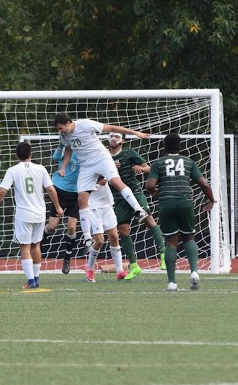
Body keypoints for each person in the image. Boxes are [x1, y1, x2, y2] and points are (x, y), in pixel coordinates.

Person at [52, 113, 151, 250]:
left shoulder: (85, 124)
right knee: (81, 198)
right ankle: (87, 238)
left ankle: (139, 210)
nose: (60, 131)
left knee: (116, 181)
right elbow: (68, 150)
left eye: (61, 128)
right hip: (86, 166)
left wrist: (136, 133)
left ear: (68, 123)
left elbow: (111, 128)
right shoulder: (64, 136)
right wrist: (63, 167)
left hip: (101, 158)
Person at [0, 141, 64, 289]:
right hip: (40, 213)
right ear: (31, 154)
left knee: (25, 247)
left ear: (17, 155)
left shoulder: (13, 170)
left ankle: (31, 281)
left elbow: (3, 190)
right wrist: (58, 207)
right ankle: (36, 277)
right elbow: (51, 190)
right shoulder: (40, 168)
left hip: (24, 214)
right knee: (36, 245)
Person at [145, 133, 216, 292]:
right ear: (180, 146)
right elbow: (204, 184)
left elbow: (149, 185)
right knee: (189, 237)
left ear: (165, 147)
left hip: (166, 204)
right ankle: (194, 273)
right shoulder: (189, 162)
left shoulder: (158, 163)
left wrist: (158, 193)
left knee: (171, 242)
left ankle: (171, 283)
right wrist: (211, 199)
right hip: (185, 202)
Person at [108, 132, 167, 279]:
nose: (113, 138)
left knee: (148, 219)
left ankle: (164, 255)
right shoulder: (103, 154)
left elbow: (149, 168)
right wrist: (108, 168)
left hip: (134, 192)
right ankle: (134, 265)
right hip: (117, 196)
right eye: (111, 136)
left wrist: (141, 169)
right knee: (123, 230)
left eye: (116, 136)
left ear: (123, 140)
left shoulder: (129, 153)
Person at [44, 144, 82, 274]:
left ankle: (67, 258)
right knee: (52, 226)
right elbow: (55, 157)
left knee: (71, 227)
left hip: (76, 192)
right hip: (60, 189)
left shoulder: (86, 152)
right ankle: (38, 243)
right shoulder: (66, 148)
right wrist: (61, 144)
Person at [82, 179, 127, 283]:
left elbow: (114, 181)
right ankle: (89, 268)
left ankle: (119, 270)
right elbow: (81, 183)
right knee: (99, 241)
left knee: (114, 236)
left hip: (107, 204)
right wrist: (96, 181)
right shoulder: (85, 166)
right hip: (92, 206)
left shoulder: (105, 163)